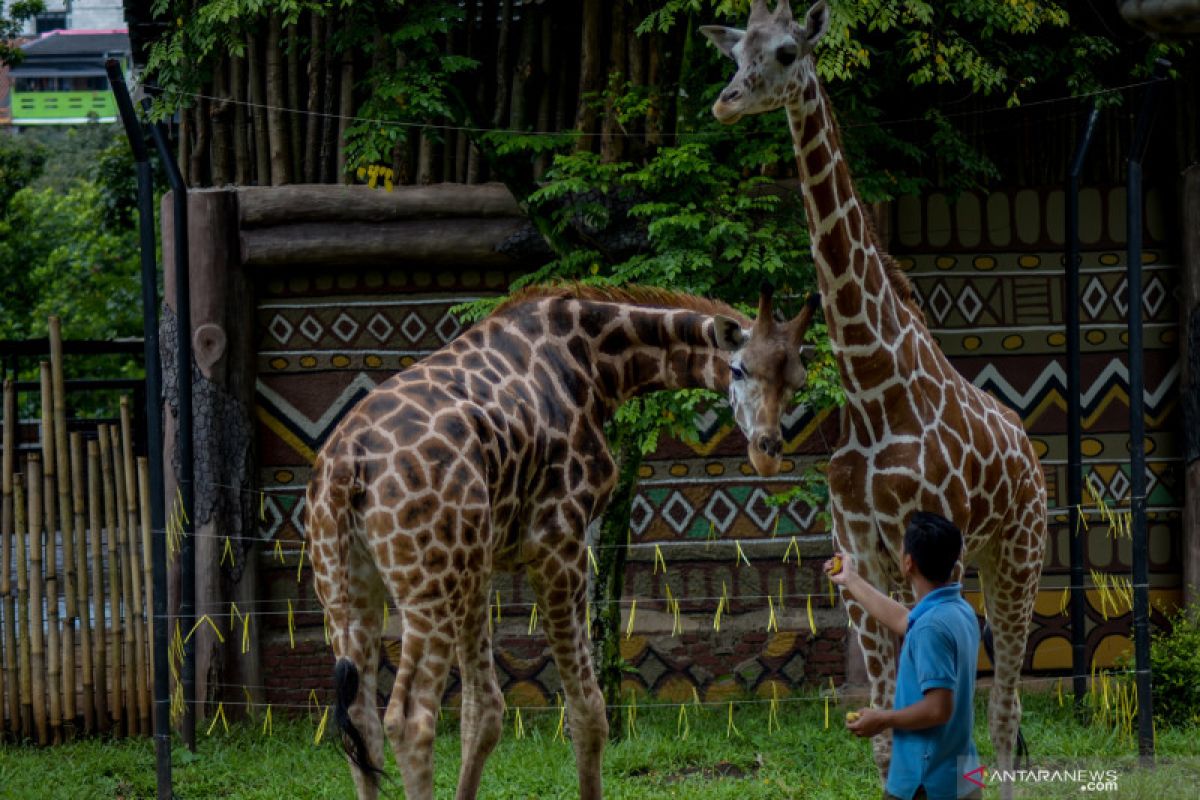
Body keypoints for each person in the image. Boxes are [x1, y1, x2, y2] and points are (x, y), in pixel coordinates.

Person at [825, 511, 983, 800]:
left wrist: (881, 719)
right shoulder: (959, 611)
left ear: (908, 562)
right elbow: (904, 620)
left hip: (925, 783)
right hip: (962, 777)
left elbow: (938, 709)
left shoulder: (931, 627)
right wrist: (851, 580)